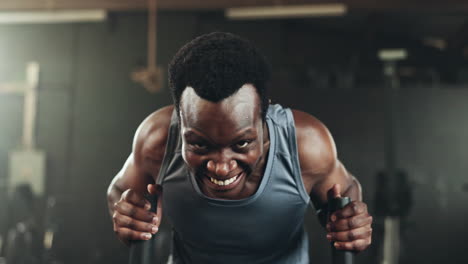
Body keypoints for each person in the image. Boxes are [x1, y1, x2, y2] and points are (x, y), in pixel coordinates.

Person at [107, 32, 372, 263]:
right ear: (179, 115)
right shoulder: (157, 139)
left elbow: (345, 190)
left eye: (241, 143)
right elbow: (120, 191)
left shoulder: (306, 144)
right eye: (199, 144)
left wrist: (349, 222)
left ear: (263, 113)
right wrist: (129, 215)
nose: (221, 166)